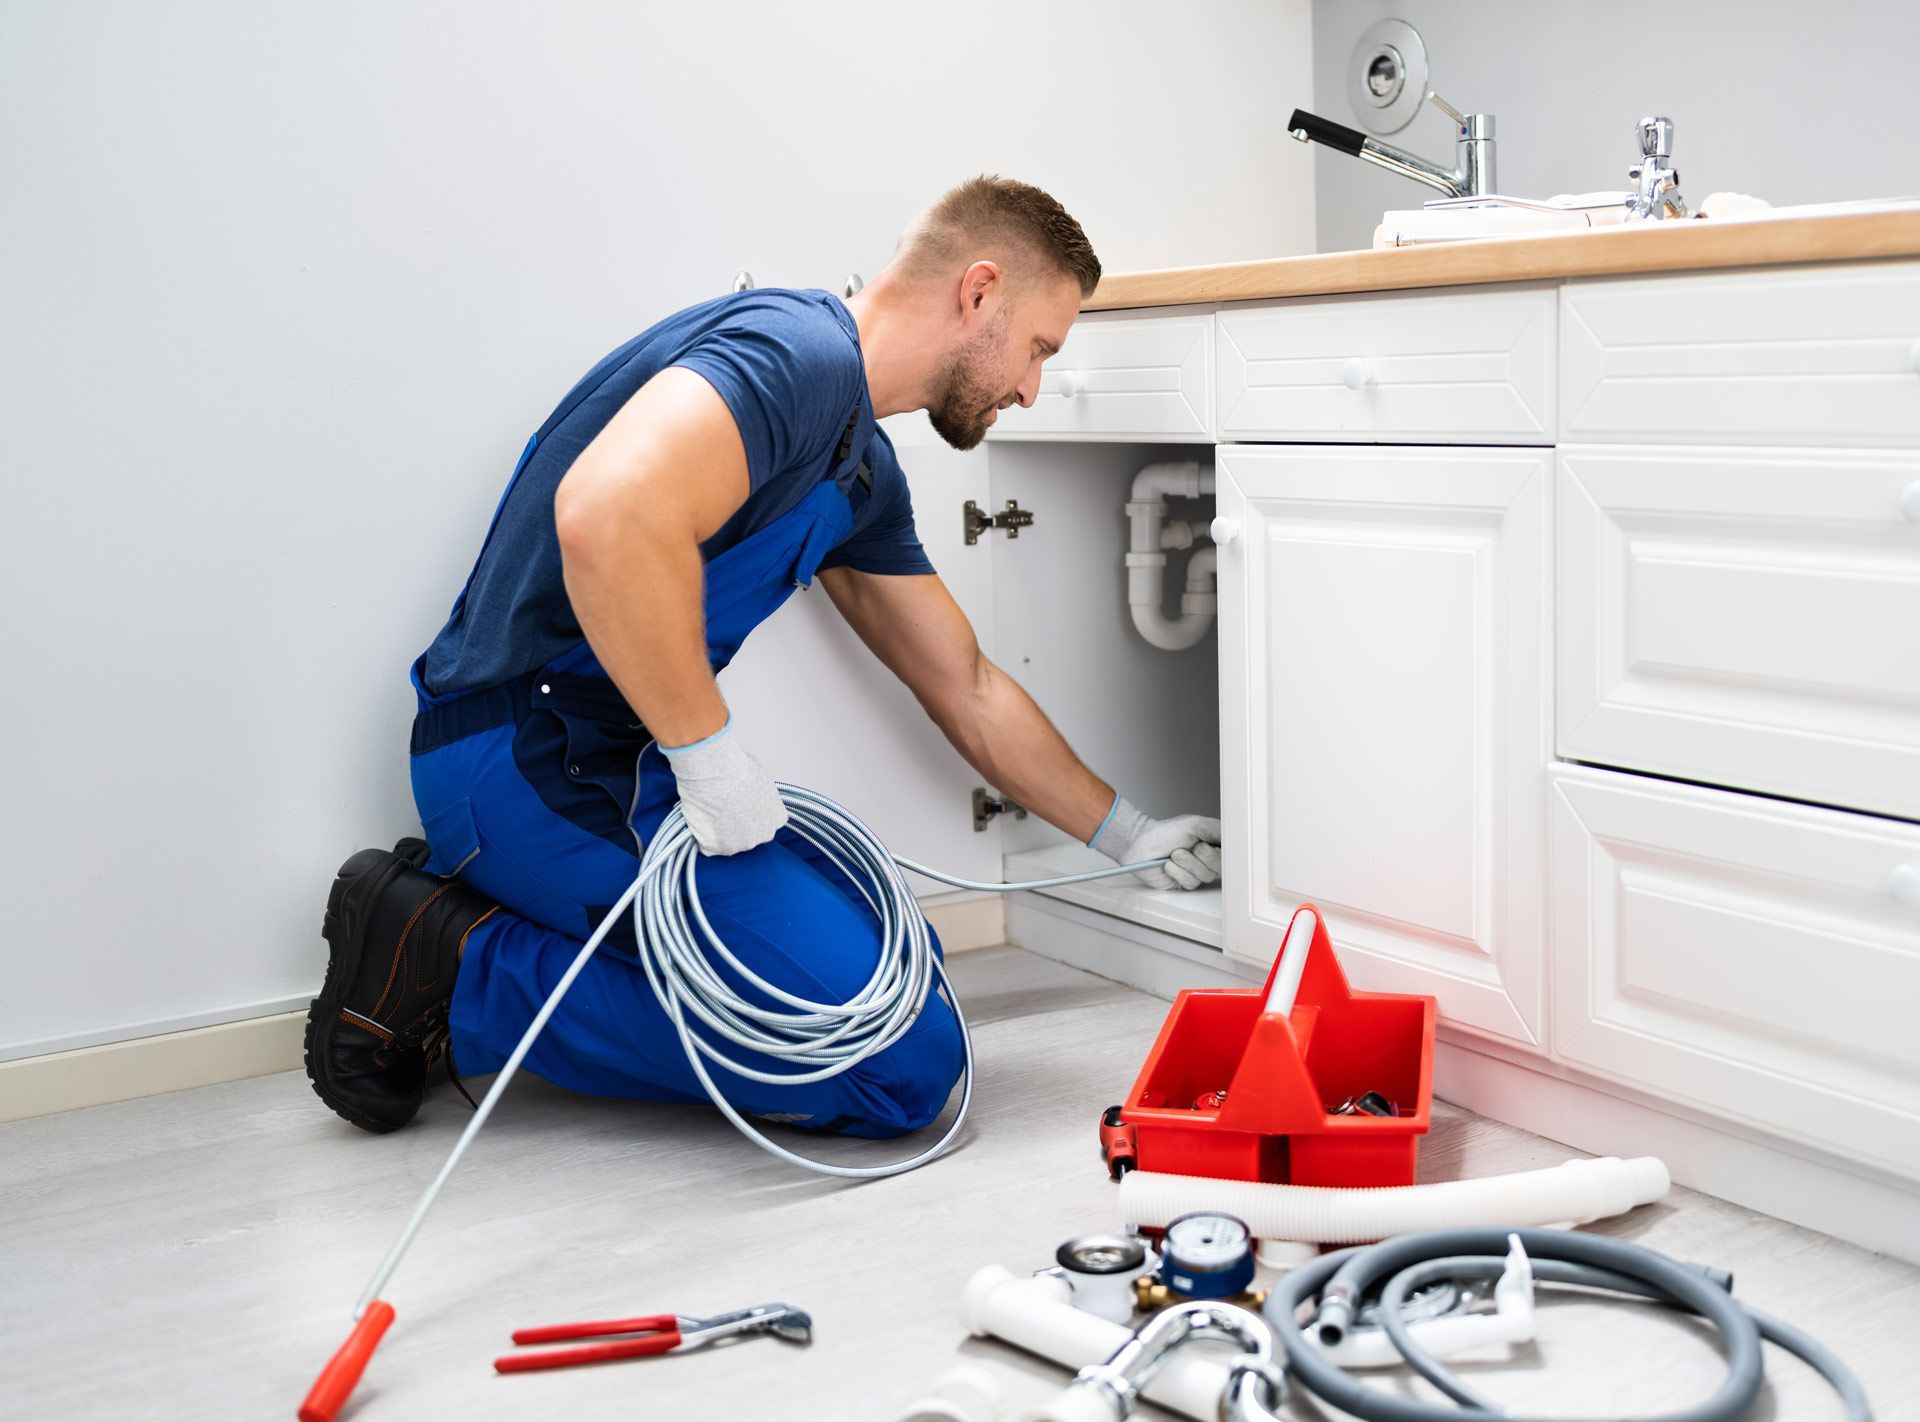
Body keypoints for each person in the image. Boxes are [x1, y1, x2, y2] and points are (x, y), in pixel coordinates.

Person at [304, 175, 1223, 1139]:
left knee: (903, 971)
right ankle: (452, 968)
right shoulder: (793, 354)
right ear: (979, 290)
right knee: (898, 1067)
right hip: (523, 761)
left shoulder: (860, 467)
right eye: (1039, 347)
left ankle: (508, 935)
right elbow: (607, 517)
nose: (1032, 387)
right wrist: (711, 763)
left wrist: (1128, 836)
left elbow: (967, 684)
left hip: (622, 770)